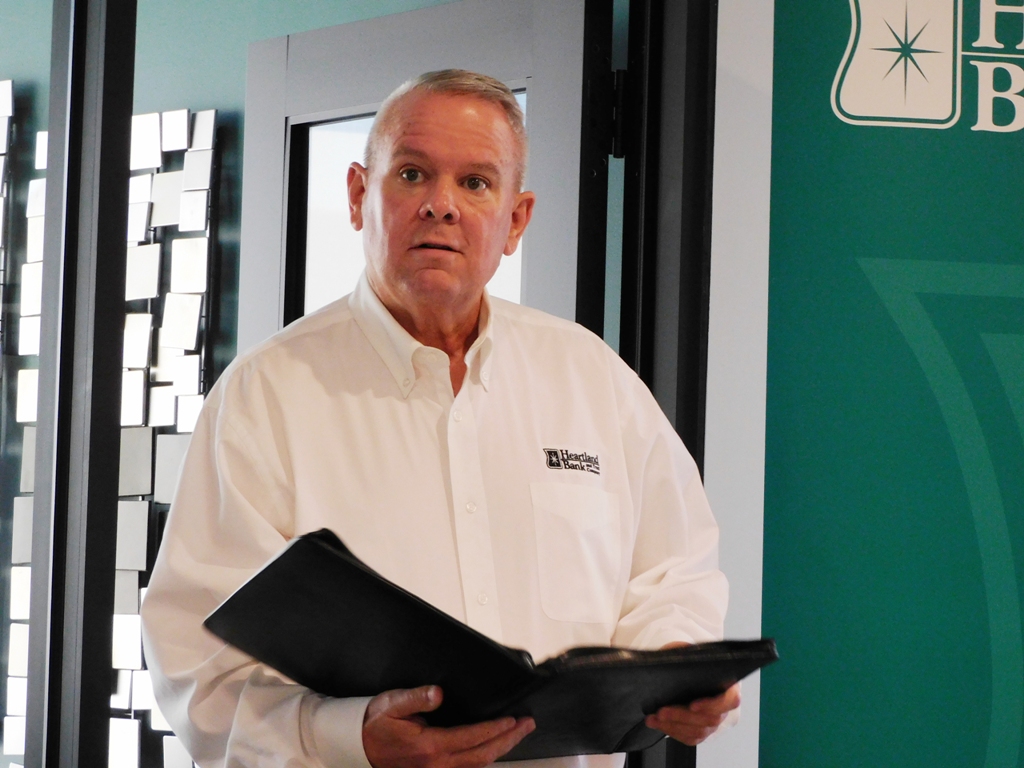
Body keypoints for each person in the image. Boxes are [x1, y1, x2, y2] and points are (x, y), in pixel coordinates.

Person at [141, 69, 739, 768]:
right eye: (413, 174)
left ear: (516, 220)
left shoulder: (592, 379)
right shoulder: (265, 397)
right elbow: (195, 666)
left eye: (476, 183)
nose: (441, 206)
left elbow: (674, 572)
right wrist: (350, 737)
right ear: (359, 195)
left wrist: (675, 668)